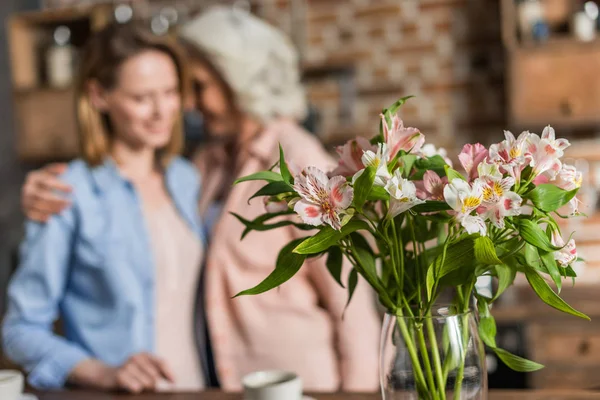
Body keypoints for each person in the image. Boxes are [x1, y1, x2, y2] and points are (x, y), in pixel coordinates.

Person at [18, 6, 381, 393]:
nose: (183, 106)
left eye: (189, 89)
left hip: (301, 385)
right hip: (216, 387)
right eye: (144, 96)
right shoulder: (204, 168)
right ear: (100, 97)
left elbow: (353, 305)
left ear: (235, 82)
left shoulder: (296, 164)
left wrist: (361, 393)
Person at [3, 23, 209, 393]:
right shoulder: (66, 192)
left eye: (170, 92)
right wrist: (104, 373)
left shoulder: (186, 178)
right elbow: (20, 331)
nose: (162, 111)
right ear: (99, 96)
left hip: (200, 388)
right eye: (142, 98)